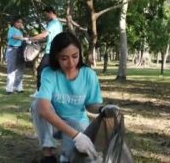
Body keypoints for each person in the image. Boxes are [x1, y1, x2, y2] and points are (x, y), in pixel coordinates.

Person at [30, 32, 119, 163]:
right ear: (56, 57)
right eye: (64, 58)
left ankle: (66, 154)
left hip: (77, 122)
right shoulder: (49, 73)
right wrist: (76, 136)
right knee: (36, 105)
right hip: (53, 123)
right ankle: (48, 154)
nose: (71, 63)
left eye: (75, 56)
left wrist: (102, 108)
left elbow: (91, 105)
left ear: (80, 54)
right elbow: (43, 109)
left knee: (74, 157)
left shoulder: (89, 75)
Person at [29, 6, 63, 90]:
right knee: (53, 72)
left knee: (40, 71)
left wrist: (31, 38)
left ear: (50, 12)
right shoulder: (59, 24)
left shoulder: (53, 23)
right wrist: (37, 41)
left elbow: (44, 35)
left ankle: (39, 92)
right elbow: (48, 38)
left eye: (46, 14)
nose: (46, 16)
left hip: (50, 52)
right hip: (56, 51)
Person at [5, 16, 28, 94]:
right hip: (12, 49)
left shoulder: (21, 32)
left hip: (19, 50)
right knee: (11, 69)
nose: (20, 24)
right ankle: (9, 89)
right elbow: (13, 37)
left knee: (20, 69)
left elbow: (23, 41)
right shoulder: (11, 29)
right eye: (18, 22)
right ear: (14, 23)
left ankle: (19, 88)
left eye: (21, 22)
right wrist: (23, 38)